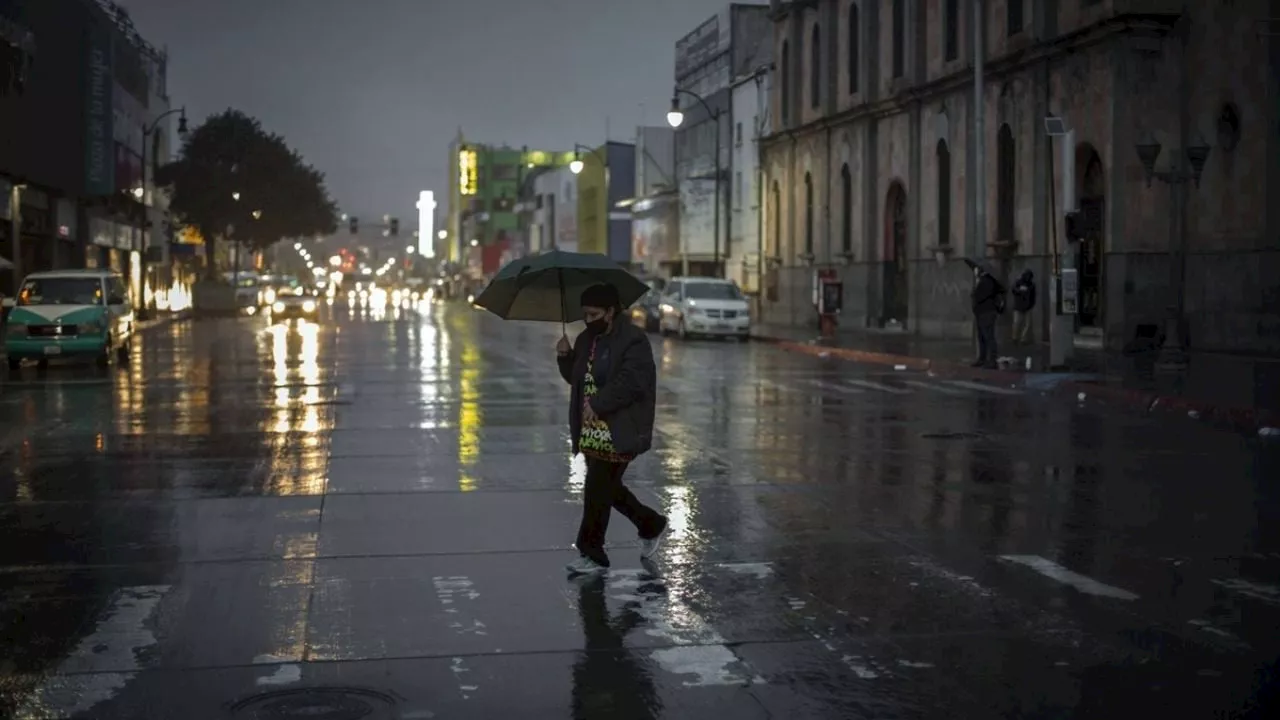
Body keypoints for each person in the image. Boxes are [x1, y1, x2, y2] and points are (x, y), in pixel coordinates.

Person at [557, 283, 668, 575]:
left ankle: (592, 553)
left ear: (610, 312)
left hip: (620, 427)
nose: (588, 319)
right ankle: (650, 524)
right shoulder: (585, 339)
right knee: (607, 488)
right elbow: (576, 379)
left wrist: (600, 404)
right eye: (584, 314)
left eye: (594, 314)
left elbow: (632, 382)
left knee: (596, 488)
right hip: (591, 429)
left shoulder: (633, 340)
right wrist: (565, 358)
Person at [970, 264, 1004, 369]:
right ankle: (982, 358)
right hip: (981, 313)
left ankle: (992, 360)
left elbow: (979, 296)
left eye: (975, 269)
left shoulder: (987, 281)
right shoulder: (983, 281)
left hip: (986, 312)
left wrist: (974, 291)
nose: (974, 271)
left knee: (988, 336)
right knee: (981, 337)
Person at [1011, 269, 1036, 345]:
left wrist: (1031, 304)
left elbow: (1033, 296)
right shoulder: (1018, 282)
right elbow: (1013, 290)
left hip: (1027, 306)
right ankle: (1015, 338)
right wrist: (1020, 290)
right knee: (1017, 323)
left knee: (1027, 324)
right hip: (1019, 306)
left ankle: (1023, 339)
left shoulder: (1031, 285)